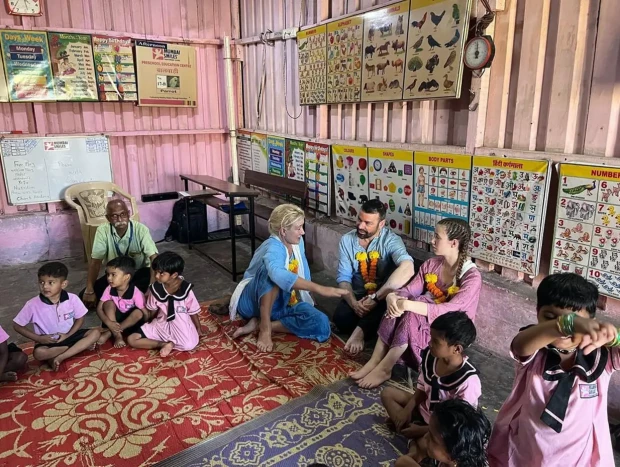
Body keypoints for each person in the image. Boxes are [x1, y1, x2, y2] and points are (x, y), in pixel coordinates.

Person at [487, 273, 620, 466]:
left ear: (591, 320)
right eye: (550, 317)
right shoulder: (535, 346)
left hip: (579, 460)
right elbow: (519, 347)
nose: (565, 330)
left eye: (575, 320)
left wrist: (614, 336)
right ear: (537, 312)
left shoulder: (602, 357)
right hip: (525, 452)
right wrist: (567, 324)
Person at [351, 218, 481, 388]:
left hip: (449, 328)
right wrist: (393, 297)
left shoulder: (471, 276)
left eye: (437, 237)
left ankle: (385, 367)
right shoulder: (431, 264)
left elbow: (451, 309)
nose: (432, 241)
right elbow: (409, 290)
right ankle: (374, 360)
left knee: (412, 307)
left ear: (454, 243)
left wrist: (407, 305)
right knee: (399, 303)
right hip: (423, 316)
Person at [230, 204, 349, 352]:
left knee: (322, 324)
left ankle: (261, 324)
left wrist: (311, 297)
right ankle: (265, 329)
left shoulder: (296, 243)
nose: (303, 232)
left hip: (282, 302)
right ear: (283, 231)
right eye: (298, 228)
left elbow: (303, 268)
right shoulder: (273, 246)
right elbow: (277, 274)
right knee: (271, 273)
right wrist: (320, 288)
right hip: (253, 300)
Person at [381, 312, 480, 441]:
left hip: (442, 426)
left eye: (435, 342)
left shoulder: (468, 380)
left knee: (431, 444)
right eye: (430, 338)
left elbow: (459, 423)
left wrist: (423, 430)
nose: (429, 343)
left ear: (457, 349)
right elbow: (422, 386)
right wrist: (407, 410)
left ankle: (416, 434)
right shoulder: (431, 356)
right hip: (424, 410)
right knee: (387, 394)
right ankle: (410, 427)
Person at [335, 199, 414, 355]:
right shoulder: (347, 240)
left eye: (367, 223)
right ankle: (370, 326)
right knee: (341, 319)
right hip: (358, 295)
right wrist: (353, 303)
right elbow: (343, 278)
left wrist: (375, 299)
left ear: (381, 224)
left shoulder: (391, 241)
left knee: (390, 294)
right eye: (359, 219)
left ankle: (360, 333)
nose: (360, 225)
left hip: (380, 298)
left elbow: (408, 268)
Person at [13, 262, 100, 371]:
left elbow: (80, 318)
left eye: (51, 282)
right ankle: (77, 348)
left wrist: (68, 335)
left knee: (95, 333)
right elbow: (17, 325)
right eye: (41, 282)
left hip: (69, 335)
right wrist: (39, 339)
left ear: (63, 284)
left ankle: (61, 356)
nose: (45, 286)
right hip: (49, 341)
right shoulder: (32, 304)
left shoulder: (72, 299)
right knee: (39, 354)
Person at [82, 199, 158, 307]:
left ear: (128, 214)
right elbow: (96, 262)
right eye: (114, 216)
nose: (120, 219)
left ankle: (119, 300)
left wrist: (152, 287)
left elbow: (154, 258)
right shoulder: (102, 231)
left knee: (141, 291)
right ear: (108, 218)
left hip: (139, 273)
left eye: (123, 214)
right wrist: (89, 290)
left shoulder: (141, 230)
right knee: (84, 297)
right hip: (115, 275)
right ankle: (122, 300)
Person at [127, 252, 202, 357]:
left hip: (180, 323)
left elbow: (192, 310)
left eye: (161, 273)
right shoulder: (156, 289)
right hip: (161, 324)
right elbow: (152, 311)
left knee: (189, 345)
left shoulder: (185, 289)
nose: (157, 276)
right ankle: (164, 344)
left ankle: (171, 343)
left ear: (174, 275)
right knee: (132, 339)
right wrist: (146, 323)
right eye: (156, 272)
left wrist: (198, 327)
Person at [395, 399, 491, 467]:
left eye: (432, 438)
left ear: (451, 456)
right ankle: (414, 445)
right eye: (428, 431)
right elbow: (402, 462)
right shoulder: (450, 454)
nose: (425, 436)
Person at [96, 256, 147, 348]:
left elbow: (145, 313)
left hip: (130, 324)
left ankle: (110, 333)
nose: (109, 278)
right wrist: (109, 323)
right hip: (113, 321)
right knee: (108, 303)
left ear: (126, 277)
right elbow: (99, 309)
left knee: (138, 313)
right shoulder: (109, 289)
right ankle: (118, 336)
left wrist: (147, 326)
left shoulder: (136, 293)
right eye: (108, 274)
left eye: (113, 274)